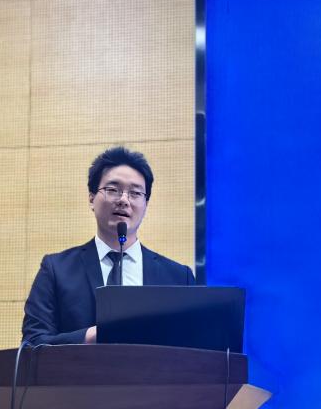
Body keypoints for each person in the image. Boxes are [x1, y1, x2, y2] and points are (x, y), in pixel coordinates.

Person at [22, 146, 195, 345]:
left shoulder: (178, 277)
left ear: (146, 204)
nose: (124, 200)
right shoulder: (57, 270)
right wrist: (93, 336)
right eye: (113, 190)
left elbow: (195, 348)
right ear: (91, 198)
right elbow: (32, 344)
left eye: (135, 193)